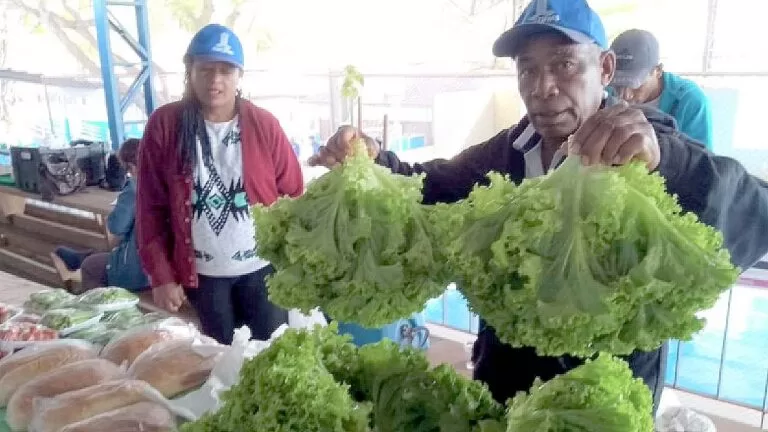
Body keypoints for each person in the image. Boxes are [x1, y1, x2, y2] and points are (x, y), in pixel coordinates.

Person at [309, 0, 768, 415]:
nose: (542, 86)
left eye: (564, 64)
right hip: (505, 392)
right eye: (527, 69)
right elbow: (432, 185)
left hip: (596, 407)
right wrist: (372, 160)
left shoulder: (648, 149)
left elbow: (751, 207)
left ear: (605, 69)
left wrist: (666, 163)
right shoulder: (510, 151)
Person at [136, 24, 304, 344]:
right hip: (203, 277)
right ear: (190, 71)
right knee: (221, 359)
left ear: (239, 76)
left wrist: (295, 265)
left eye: (226, 71)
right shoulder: (165, 125)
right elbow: (150, 208)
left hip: (263, 271)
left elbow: (294, 193)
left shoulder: (264, 124)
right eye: (205, 69)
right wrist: (161, 276)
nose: (215, 80)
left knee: (273, 353)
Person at [50, 138, 149, 293]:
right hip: (162, 266)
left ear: (131, 167)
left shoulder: (135, 188)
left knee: (90, 266)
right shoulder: (167, 182)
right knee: (119, 242)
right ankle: (88, 256)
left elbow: (116, 227)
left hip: (144, 273)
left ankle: (97, 310)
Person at [609, 29, 714, 150]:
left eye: (635, 85)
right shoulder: (608, 93)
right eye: (618, 85)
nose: (625, 95)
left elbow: (701, 162)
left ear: (658, 70)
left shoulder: (691, 101)